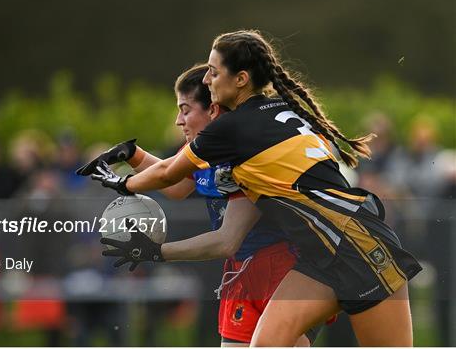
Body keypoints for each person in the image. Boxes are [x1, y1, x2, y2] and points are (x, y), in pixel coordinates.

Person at [91, 30, 422, 346]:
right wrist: (132, 159)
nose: (207, 80)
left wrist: (120, 182)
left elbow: (167, 174)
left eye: (213, 72)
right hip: (321, 257)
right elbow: (182, 183)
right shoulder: (275, 112)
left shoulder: (234, 128)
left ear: (241, 79)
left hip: (360, 247)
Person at [78, 64, 321, 346]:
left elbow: (226, 241)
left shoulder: (246, 154)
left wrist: (153, 251)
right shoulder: (205, 148)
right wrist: (132, 154)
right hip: (243, 270)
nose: (179, 121)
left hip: (283, 270)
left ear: (214, 109)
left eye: (185, 109)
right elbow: (178, 185)